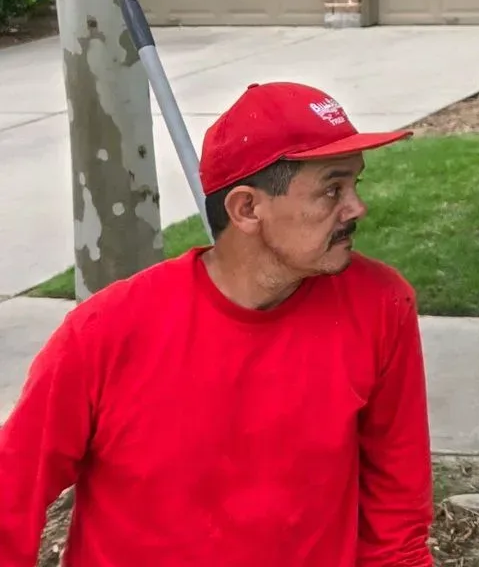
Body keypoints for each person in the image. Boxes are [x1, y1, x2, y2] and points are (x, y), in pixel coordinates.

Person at [0, 81, 433, 566]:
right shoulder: (107, 331)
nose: (356, 208)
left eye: (355, 185)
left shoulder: (380, 305)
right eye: (332, 189)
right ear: (247, 209)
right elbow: (12, 493)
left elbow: (396, 511)